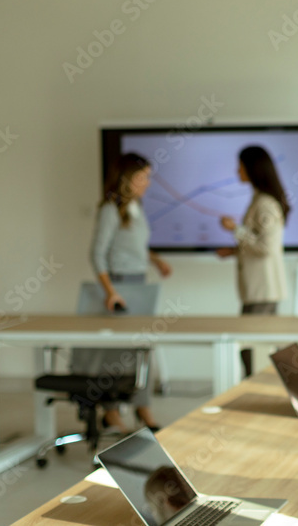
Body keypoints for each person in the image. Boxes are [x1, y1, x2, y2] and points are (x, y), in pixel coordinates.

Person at [89, 152, 171, 432]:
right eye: (142, 177)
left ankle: (143, 408)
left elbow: (134, 244)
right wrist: (111, 292)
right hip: (120, 285)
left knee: (142, 350)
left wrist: (155, 259)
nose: (147, 182)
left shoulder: (135, 206)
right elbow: (97, 254)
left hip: (139, 283)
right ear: (127, 179)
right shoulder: (110, 210)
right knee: (117, 355)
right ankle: (112, 414)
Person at [215, 145, 289, 376]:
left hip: (263, 291)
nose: (237, 171)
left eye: (241, 167)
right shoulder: (258, 200)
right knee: (252, 350)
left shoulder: (265, 204)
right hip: (257, 290)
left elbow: (266, 247)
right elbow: (258, 244)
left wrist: (235, 230)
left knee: (254, 352)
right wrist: (234, 251)